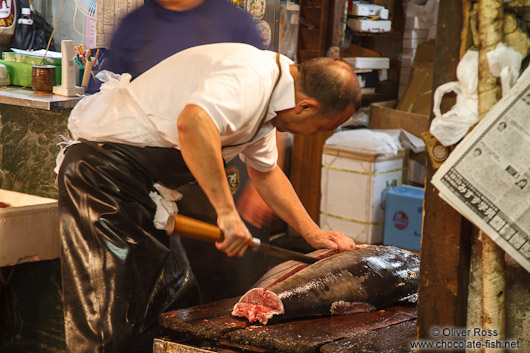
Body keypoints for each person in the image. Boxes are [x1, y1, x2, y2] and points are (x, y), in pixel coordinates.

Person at [57, 43, 361, 353]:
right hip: (103, 179)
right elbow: (192, 124)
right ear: (306, 107)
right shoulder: (251, 78)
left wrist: (314, 233)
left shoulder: (273, 98)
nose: (313, 134)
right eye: (322, 127)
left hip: (148, 190)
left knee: (173, 301)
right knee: (108, 318)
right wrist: (228, 214)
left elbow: (265, 172)